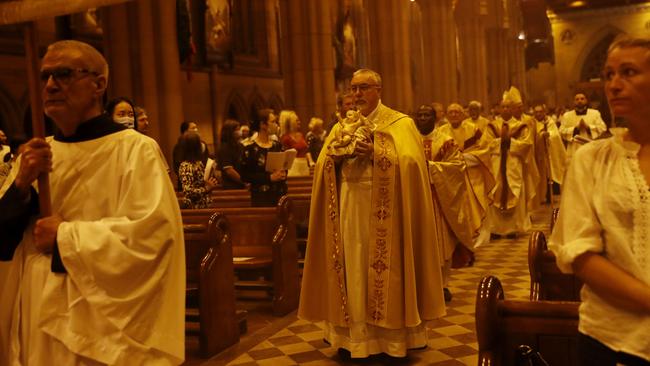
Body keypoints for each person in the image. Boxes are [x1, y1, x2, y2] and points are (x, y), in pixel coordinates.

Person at [0, 40, 185, 365]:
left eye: (64, 74)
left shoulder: (135, 150)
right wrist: (21, 185)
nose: (50, 85)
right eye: (45, 77)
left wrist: (66, 237)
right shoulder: (35, 155)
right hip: (36, 309)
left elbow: (155, 237)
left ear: (99, 84)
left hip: (99, 319)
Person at [299, 69, 445, 358]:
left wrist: (376, 153)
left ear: (378, 89)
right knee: (351, 265)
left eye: (363, 88)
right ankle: (352, 339)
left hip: (387, 215)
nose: (356, 95)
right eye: (353, 89)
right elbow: (323, 165)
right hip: (349, 208)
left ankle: (389, 340)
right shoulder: (341, 125)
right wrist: (335, 158)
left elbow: (412, 164)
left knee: (384, 269)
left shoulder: (399, 123)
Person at [549, 35, 650, 365]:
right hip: (611, 338)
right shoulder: (593, 160)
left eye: (628, 72)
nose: (614, 85)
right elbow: (580, 253)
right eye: (608, 75)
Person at [416, 104, 479, 302]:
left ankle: (442, 285)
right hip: (416, 200)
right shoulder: (409, 141)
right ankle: (420, 285)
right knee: (418, 243)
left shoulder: (445, 141)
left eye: (427, 115)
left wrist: (431, 168)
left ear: (434, 118)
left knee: (440, 245)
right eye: (420, 114)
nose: (423, 118)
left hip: (439, 201)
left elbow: (457, 167)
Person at [483, 90, 535, 237]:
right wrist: (501, 142)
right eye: (503, 107)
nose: (505, 109)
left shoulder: (520, 126)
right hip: (496, 164)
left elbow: (526, 144)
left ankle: (513, 228)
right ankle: (496, 229)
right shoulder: (492, 126)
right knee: (495, 190)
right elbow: (486, 145)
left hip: (513, 164)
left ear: (512, 109)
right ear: (498, 108)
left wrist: (510, 142)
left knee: (515, 191)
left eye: (508, 107)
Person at [240, 108, 287, 206]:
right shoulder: (250, 149)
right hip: (261, 197)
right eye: (273, 122)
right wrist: (269, 178)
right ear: (263, 125)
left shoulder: (277, 145)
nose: (276, 125)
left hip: (280, 194)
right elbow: (245, 176)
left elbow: (283, 166)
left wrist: (283, 173)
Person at [532, 104, 566, 202]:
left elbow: (555, 135)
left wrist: (548, 136)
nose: (538, 114)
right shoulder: (531, 122)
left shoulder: (549, 122)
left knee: (549, 174)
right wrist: (540, 136)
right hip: (537, 153)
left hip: (548, 152)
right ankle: (538, 197)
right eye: (536, 112)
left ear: (544, 112)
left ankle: (548, 196)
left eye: (540, 112)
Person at [560, 92, 608, 161]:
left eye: (582, 99)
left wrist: (588, 127)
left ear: (586, 100)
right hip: (573, 148)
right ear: (574, 102)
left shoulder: (595, 113)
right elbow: (561, 131)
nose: (579, 101)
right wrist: (576, 128)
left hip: (591, 147)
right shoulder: (567, 115)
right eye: (577, 99)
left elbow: (603, 128)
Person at [178, 132, 219, 208]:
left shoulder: (198, 163)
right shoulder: (186, 166)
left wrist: (208, 183)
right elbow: (188, 191)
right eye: (199, 142)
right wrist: (206, 188)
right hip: (195, 208)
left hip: (203, 205)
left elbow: (198, 183)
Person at [279, 109, 314, 174]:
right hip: (293, 167)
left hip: (304, 164)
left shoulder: (300, 135)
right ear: (291, 122)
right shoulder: (285, 138)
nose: (299, 122)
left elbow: (306, 150)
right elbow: (285, 157)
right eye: (297, 120)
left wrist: (311, 161)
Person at [217, 119, 245, 189]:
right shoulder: (225, 148)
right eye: (237, 130)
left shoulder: (240, 146)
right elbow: (229, 171)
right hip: (232, 186)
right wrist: (244, 181)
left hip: (242, 185)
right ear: (230, 132)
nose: (239, 132)